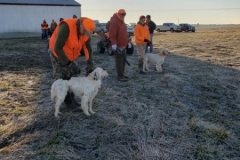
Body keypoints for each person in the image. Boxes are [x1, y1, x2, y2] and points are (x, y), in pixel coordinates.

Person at [49, 17, 95, 104]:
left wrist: (90, 65)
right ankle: (68, 102)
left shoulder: (86, 31)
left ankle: (72, 97)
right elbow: (57, 48)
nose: (85, 34)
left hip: (69, 54)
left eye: (87, 32)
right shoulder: (66, 27)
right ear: (81, 25)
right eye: (84, 31)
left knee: (73, 74)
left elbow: (88, 48)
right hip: (56, 53)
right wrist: (68, 63)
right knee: (62, 77)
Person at [109, 9, 129, 82]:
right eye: (122, 14)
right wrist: (114, 44)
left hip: (123, 45)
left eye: (124, 14)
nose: (123, 16)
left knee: (123, 61)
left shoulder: (122, 23)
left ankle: (122, 74)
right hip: (118, 46)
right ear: (118, 14)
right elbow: (112, 34)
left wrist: (128, 42)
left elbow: (124, 34)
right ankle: (120, 76)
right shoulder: (115, 22)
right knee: (119, 62)